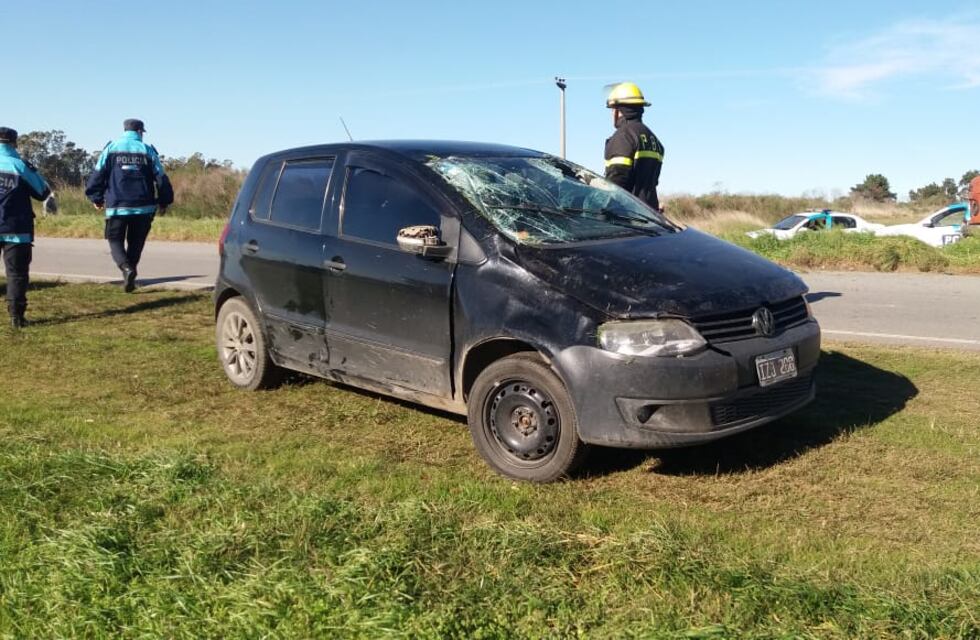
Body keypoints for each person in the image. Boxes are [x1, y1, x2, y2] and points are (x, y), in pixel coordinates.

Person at [85, 119, 173, 292]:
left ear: (125, 130)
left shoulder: (110, 149)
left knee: (115, 240)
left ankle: (126, 268)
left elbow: (97, 175)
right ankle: (130, 275)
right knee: (136, 242)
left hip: (117, 206)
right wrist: (164, 201)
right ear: (140, 131)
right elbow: (161, 178)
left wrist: (96, 198)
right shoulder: (147, 150)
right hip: (143, 207)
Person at [0, 127, 53, 328]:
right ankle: (16, 317)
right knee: (16, 274)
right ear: (14, 143)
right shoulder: (20, 166)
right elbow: (42, 192)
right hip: (17, 229)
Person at [604, 82, 665, 211]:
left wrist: (603, 210)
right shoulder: (655, 141)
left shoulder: (623, 137)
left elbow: (617, 180)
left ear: (618, 111)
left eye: (612, 110)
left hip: (629, 217)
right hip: (651, 215)